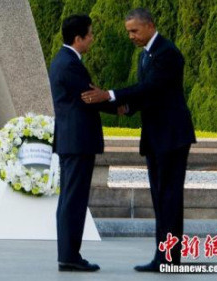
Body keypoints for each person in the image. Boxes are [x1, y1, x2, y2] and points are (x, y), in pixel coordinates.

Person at [82, 8, 196, 272]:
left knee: (168, 197)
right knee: (160, 197)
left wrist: (110, 95)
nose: (131, 36)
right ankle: (163, 257)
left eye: (134, 31)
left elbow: (152, 87)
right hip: (156, 136)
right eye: (128, 32)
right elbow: (149, 95)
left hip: (171, 136)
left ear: (150, 26)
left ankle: (169, 259)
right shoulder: (145, 55)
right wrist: (127, 108)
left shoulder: (167, 53)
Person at [49, 14, 123, 272]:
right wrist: (121, 106)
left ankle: (69, 254)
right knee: (74, 200)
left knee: (70, 199)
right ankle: (69, 256)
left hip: (72, 141)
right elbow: (90, 96)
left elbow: (90, 95)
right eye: (89, 34)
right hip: (78, 142)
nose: (92, 38)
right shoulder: (70, 64)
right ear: (78, 38)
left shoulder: (65, 60)